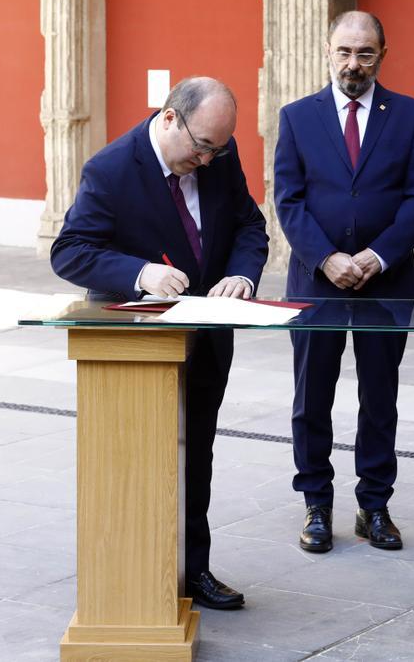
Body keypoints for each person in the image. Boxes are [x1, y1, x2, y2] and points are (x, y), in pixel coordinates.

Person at [51, 76, 269, 610]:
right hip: (137, 345)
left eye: (218, 150)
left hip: (208, 334)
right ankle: (130, 573)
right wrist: (140, 271)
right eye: (201, 148)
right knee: (137, 460)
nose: (208, 160)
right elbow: (70, 251)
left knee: (196, 454)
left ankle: (194, 569)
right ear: (170, 118)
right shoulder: (111, 168)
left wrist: (242, 275)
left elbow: (249, 225)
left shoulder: (219, 151)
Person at [273, 10, 414, 554]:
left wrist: (376, 255)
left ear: (381, 55)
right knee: (310, 398)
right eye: (344, 51)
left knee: (379, 398)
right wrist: (326, 258)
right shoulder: (297, 117)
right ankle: (316, 504)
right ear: (327, 50)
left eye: (365, 53)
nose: (353, 63)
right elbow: (288, 201)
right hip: (316, 282)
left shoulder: (410, 116)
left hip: (385, 284)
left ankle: (375, 506)